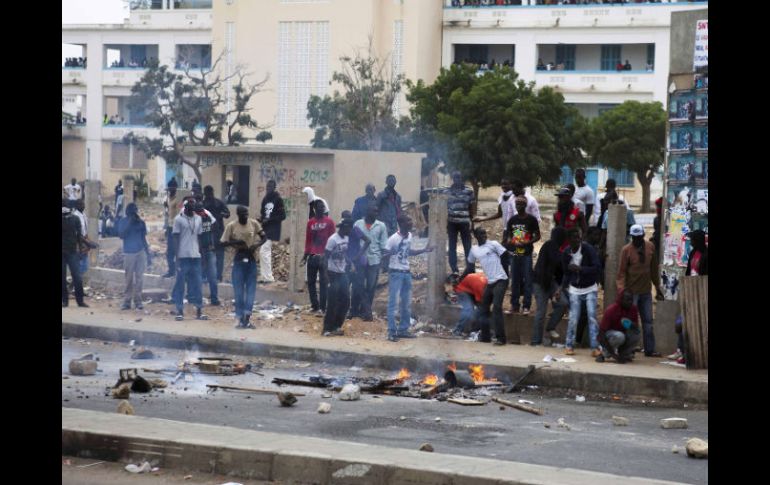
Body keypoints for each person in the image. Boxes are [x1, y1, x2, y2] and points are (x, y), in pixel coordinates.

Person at [384, 215, 435, 342]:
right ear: (401, 223)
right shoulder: (393, 239)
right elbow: (384, 254)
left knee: (406, 304)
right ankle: (391, 332)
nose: (411, 223)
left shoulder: (409, 236)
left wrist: (424, 250)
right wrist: (390, 255)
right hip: (395, 273)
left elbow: (408, 251)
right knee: (393, 304)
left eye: (410, 220)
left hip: (406, 272)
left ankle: (403, 330)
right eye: (408, 221)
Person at [617, 224, 664, 357]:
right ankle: (629, 348)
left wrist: (657, 287)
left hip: (645, 292)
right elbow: (621, 273)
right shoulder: (626, 250)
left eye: (639, 237)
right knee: (630, 322)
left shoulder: (650, 247)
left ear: (643, 235)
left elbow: (654, 269)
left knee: (648, 322)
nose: (637, 240)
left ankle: (649, 349)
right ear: (632, 237)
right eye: (634, 237)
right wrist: (622, 291)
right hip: (631, 293)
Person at [221, 206, 266, 328]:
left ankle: (247, 319)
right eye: (243, 214)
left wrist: (256, 245)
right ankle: (239, 318)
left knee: (251, 291)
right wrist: (237, 242)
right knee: (239, 291)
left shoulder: (254, 223)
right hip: (239, 259)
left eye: (247, 214)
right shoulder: (231, 226)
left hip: (251, 258)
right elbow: (223, 242)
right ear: (238, 215)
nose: (245, 216)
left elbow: (264, 237)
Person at [464, 227, 508, 345]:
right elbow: (470, 267)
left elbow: (505, 256)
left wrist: (505, 273)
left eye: (485, 233)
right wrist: (461, 278)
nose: (484, 235)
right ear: (476, 236)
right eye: (481, 234)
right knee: (483, 309)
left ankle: (501, 338)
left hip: (501, 280)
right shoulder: (474, 250)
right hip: (490, 282)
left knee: (497, 308)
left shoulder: (493, 244)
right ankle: (485, 337)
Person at [561, 227, 601, 356]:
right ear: (568, 240)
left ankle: (595, 347)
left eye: (578, 237)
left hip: (590, 288)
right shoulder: (566, 253)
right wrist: (562, 287)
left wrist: (580, 269)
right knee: (573, 318)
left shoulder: (588, 249)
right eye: (573, 238)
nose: (577, 240)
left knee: (592, 317)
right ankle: (569, 345)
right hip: (574, 289)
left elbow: (596, 267)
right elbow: (566, 273)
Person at [323, 218, 363, 336]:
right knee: (332, 302)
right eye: (350, 228)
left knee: (345, 301)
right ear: (345, 227)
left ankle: (336, 326)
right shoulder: (332, 240)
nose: (350, 231)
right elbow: (325, 258)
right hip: (332, 273)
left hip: (342, 273)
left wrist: (351, 263)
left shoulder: (346, 238)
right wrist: (325, 275)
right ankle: (327, 328)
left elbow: (344, 254)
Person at [171, 199, 208, 321]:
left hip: (196, 256)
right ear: (185, 207)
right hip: (183, 257)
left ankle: (199, 311)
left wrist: (202, 255)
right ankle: (179, 311)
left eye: (194, 206)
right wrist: (176, 258)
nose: (192, 208)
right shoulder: (178, 219)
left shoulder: (198, 218)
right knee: (180, 285)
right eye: (190, 206)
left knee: (198, 284)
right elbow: (175, 238)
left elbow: (199, 237)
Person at [531, 227, 568, 346]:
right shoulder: (549, 245)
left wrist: (558, 288)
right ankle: (536, 341)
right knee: (541, 312)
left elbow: (561, 271)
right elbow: (551, 263)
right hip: (540, 282)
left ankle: (550, 327)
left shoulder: (558, 250)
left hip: (551, 282)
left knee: (563, 303)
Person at [505, 196, 541, 315]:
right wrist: (510, 240)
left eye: (520, 204)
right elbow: (508, 234)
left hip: (527, 253)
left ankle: (526, 306)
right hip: (516, 252)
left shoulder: (531, 219)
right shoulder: (513, 220)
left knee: (527, 279)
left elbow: (538, 236)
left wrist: (527, 242)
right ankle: (514, 305)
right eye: (517, 204)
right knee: (515, 279)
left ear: (525, 206)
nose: (518, 206)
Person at [353, 205, 389, 321]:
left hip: (374, 260)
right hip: (360, 259)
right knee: (358, 286)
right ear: (367, 211)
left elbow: (384, 245)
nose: (376, 213)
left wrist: (383, 261)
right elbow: (353, 241)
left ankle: (365, 312)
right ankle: (355, 310)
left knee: (371, 287)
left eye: (377, 211)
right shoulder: (358, 224)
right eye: (373, 211)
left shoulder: (381, 226)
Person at [302, 200, 336, 314]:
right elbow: (308, 240)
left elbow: (333, 240)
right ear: (315, 209)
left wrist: (330, 256)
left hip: (324, 256)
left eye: (323, 207)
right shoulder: (310, 223)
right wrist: (305, 255)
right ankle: (314, 306)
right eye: (320, 207)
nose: (322, 209)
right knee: (311, 283)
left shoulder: (330, 222)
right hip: (312, 256)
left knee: (323, 283)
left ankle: (322, 307)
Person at [117, 203, 152, 310]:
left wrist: (148, 254)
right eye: (132, 211)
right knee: (129, 278)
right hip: (129, 253)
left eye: (135, 210)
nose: (134, 212)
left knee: (139, 278)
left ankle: (138, 301)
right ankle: (127, 301)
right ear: (128, 212)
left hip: (140, 252)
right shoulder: (123, 221)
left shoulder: (141, 222)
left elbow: (143, 239)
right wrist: (130, 222)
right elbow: (121, 235)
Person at [444, 171, 476, 275]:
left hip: (464, 223)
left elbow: (472, 208)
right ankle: (454, 270)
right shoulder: (446, 191)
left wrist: (473, 222)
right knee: (452, 247)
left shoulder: (469, 191)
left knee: (468, 246)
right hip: (451, 223)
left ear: (462, 178)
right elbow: (443, 208)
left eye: (459, 177)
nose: (457, 179)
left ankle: (470, 269)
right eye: (455, 177)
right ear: (452, 179)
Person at [596, 289, 641, 363]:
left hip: (623, 333)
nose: (630, 302)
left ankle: (624, 354)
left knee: (636, 334)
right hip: (609, 335)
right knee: (620, 336)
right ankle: (603, 354)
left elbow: (636, 327)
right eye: (627, 300)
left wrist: (631, 324)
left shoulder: (633, 309)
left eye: (631, 300)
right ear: (621, 299)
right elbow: (601, 335)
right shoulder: (611, 310)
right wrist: (614, 355)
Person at [342, 211, 371, 320]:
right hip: (349, 263)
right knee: (348, 288)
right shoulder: (344, 231)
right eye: (346, 218)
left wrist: (358, 256)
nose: (348, 220)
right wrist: (349, 260)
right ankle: (351, 311)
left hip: (357, 263)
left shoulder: (355, 230)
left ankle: (366, 313)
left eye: (349, 218)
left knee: (358, 289)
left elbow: (368, 241)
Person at [258, 180, 285, 283]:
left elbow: (283, 216)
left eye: (270, 187)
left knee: (264, 251)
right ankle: (264, 277)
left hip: (274, 230)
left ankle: (268, 278)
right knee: (264, 253)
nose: (268, 188)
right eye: (267, 187)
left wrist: (269, 220)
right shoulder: (265, 199)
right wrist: (261, 219)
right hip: (265, 229)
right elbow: (263, 213)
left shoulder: (278, 199)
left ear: (274, 188)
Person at [62, 198, 88, 308]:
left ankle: (79, 301)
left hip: (72, 252)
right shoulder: (74, 218)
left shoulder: (75, 219)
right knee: (64, 277)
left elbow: (79, 236)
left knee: (77, 277)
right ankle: (65, 301)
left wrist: (81, 249)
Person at [193, 201, 220, 306]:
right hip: (198, 251)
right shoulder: (193, 219)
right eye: (199, 211)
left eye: (201, 210)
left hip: (209, 249)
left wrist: (213, 242)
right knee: (197, 276)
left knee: (212, 276)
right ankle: (197, 298)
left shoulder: (207, 215)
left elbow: (215, 226)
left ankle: (214, 299)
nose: (201, 213)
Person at [202, 185, 231, 282]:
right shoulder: (203, 204)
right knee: (206, 254)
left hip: (218, 232)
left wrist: (222, 214)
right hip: (207, 232)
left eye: (210, 193)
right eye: (207, 193)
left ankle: (218, 276)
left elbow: (227, 214)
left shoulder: (219, 203)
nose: (209, 195)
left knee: (219, 254)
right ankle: (207, 276)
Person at [449, 272, 487, 337]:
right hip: (462, 290)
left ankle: (473, 330)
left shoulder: (486, 281)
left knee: (480, 310)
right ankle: (457, 330)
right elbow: (480, 301)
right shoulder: (480, 286)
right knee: (468, 310)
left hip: (470, 290)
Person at [163, 181, 180, 277]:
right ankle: (171, 271)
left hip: (176, 228)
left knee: (177, 250)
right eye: (169, 189)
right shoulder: (168, 198)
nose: (169, 190)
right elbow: (168, 214)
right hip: (170, 227)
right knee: (169, 251)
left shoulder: (178, 199)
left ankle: (178, 272)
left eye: (171, 189)